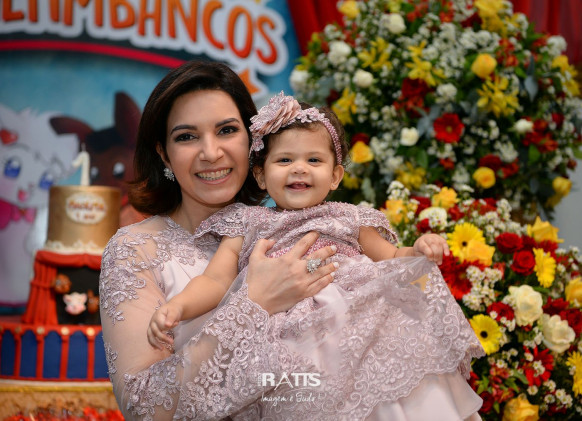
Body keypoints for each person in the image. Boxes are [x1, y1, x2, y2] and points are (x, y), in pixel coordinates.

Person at [146, 92, 485, 420]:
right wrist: (178, 307)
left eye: (314, 160)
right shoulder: (248, 224)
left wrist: (419, 249)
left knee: (393, 397)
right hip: (295, 348)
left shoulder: (349, 218)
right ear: (261, 174)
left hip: (364, 330)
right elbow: (216, 279)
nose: (299, 169)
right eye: (284, 160)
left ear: (335, 175)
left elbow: (393, 256)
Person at [99, 61, 340, 421]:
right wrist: (253, 305)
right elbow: (143, 408)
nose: (211, 153)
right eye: (186, 136)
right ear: (164, 153)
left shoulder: (299, 229)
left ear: (253, 140)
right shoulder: (135, 250)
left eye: (227, 130)